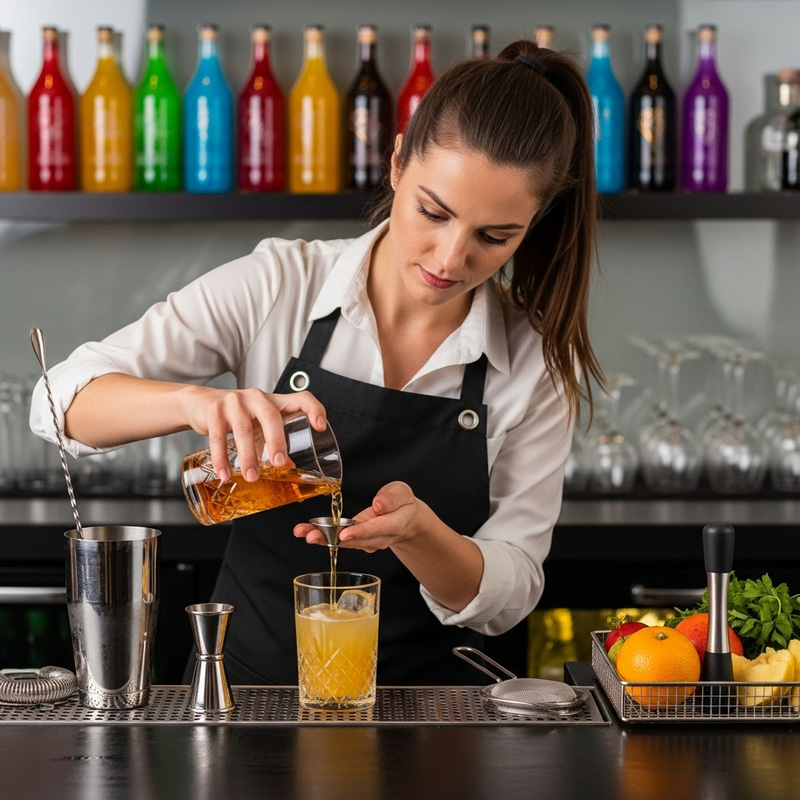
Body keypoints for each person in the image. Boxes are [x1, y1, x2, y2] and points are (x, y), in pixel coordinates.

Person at [30, 39, 603, 685]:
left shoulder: (534, 365)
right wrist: (197, 402)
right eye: (432, 212)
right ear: (394, 164)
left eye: (495, 236)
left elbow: (512, 593)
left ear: (535, 223)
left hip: (438, 719)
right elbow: (57, 401)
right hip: (245, 696)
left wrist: (420, 536)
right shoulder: (281, 283)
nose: (449, 258)